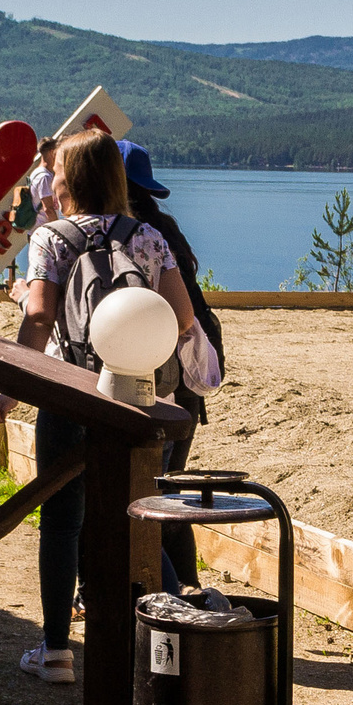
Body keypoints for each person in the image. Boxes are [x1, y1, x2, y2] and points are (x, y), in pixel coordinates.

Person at [0, 128, 202, 685]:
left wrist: (12, 386)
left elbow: (36, 318)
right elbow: (180, 318)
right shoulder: (150, 236)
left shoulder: (52, 238)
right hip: (136, 402)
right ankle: (165, 653)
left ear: (67, 179)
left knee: (62, 521)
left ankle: (56, 651)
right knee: (141, 524)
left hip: (69, 395)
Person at [123, 137, 222, 588]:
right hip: (185, 385)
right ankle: (188, 585)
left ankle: (167, 590)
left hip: (156, 380)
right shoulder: (164, 230)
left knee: (147, 492)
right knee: (168, 490)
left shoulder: (132, 239)